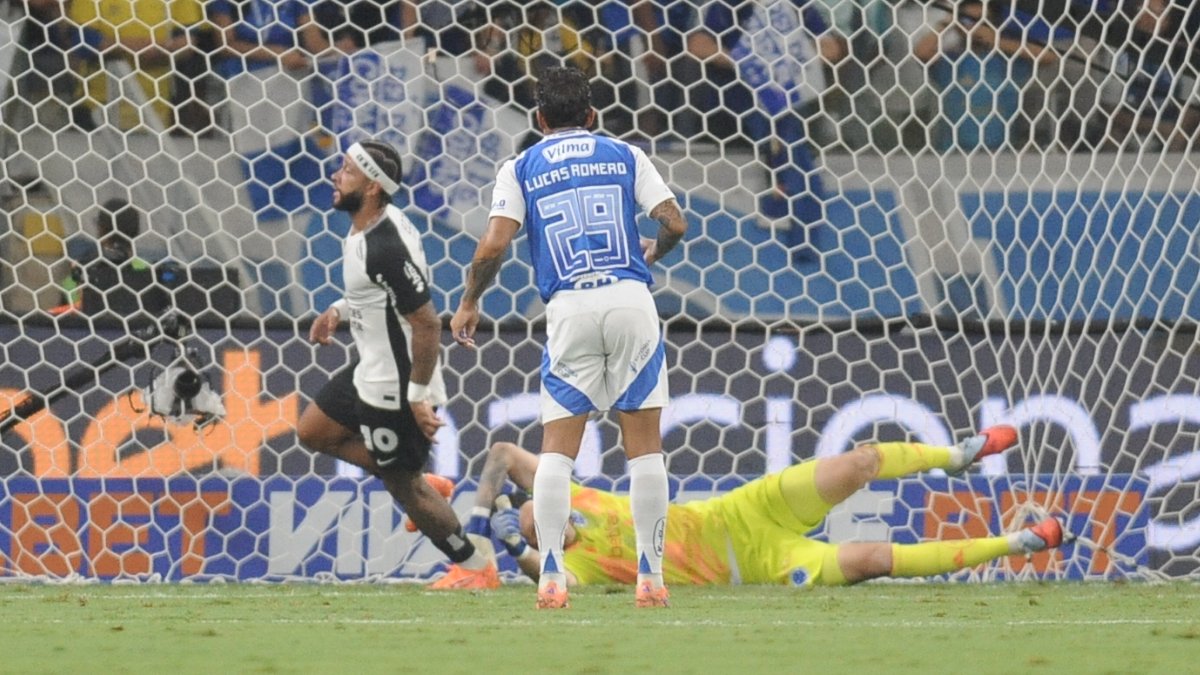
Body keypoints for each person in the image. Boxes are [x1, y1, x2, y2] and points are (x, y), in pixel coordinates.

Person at [449, 66, 688, 609]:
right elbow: (674, 222)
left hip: (569, 306)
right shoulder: (625, 154)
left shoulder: (521, 166)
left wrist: (469, 301)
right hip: (630, 298)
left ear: (538, 119)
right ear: (592, 116)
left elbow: (491, 247)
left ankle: (552, 575)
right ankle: (650, 578)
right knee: (645, 450)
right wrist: (654, 252)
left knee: (556, 453)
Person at [464, 425, 1066, 588]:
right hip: (757, 565)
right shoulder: (582, 571)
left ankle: (955, 455)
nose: (558, 517)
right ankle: (1016, 545)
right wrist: (513, 550)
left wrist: (478, 514)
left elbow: (501, 452)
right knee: (872, 560)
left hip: (741, 512)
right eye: (546, 527)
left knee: (857, 464)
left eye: (552, 507)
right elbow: (546, 577)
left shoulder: (582, 497)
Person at [297, 139, 498, 589]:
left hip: (393, 382)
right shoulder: (371, 227)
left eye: (347, 170)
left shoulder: (384, 244)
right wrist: (340, 311)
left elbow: (427, 324)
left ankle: (473, 567)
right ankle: (416, 475)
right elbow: (378, 295)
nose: (336, 176)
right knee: (313, 431)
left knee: (404, 487)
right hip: (370, 365)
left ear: (370, 187)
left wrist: (416, 397)